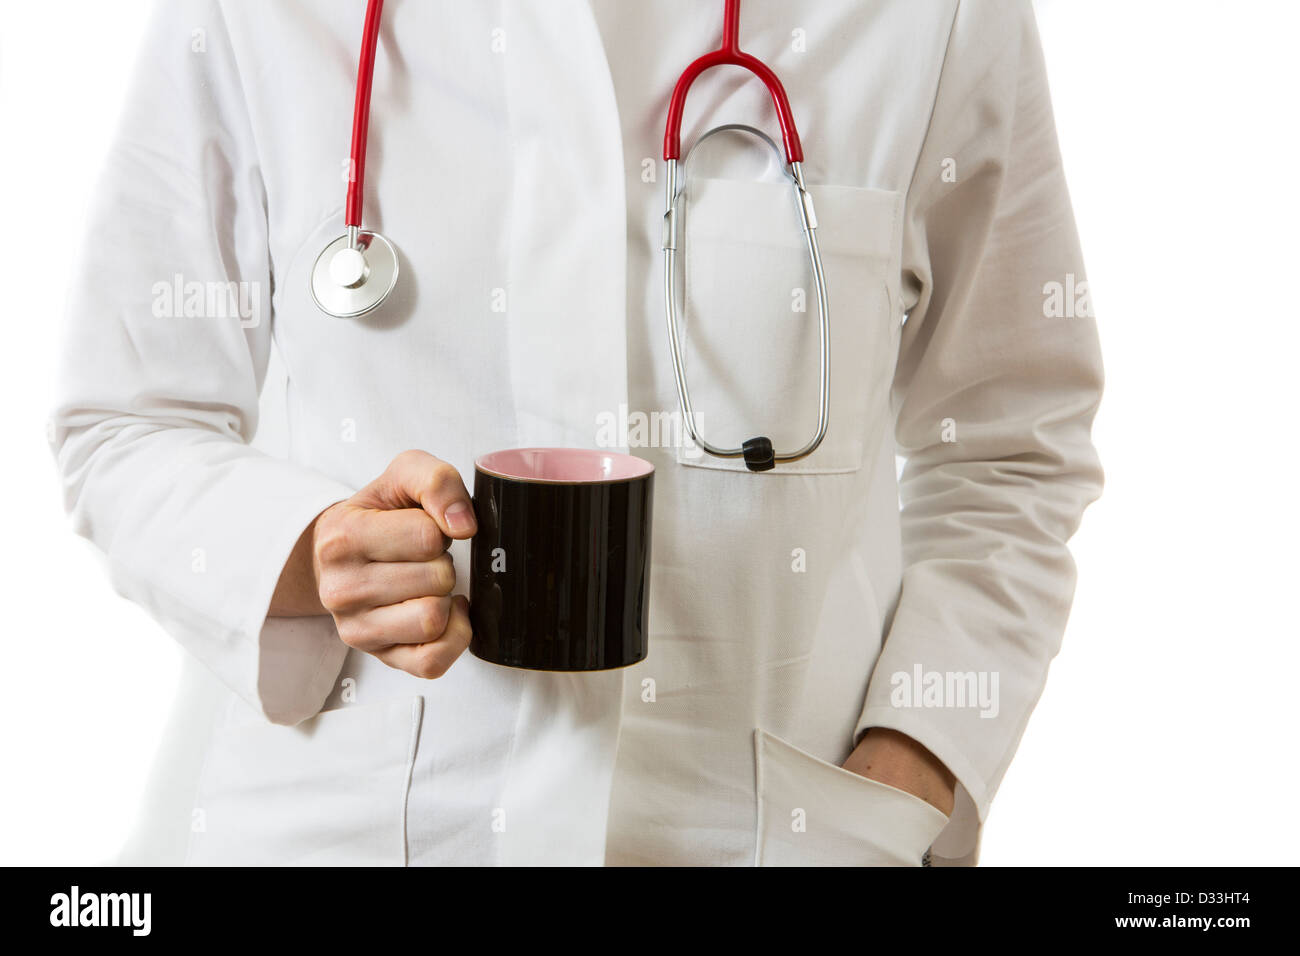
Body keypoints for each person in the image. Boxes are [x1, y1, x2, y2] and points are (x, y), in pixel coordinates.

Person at [51, 0, 1102, 866]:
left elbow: (1011, 440)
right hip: (338, 832)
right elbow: (130, 418)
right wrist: (309, 548)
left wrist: (911, 762)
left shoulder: (932, 20)